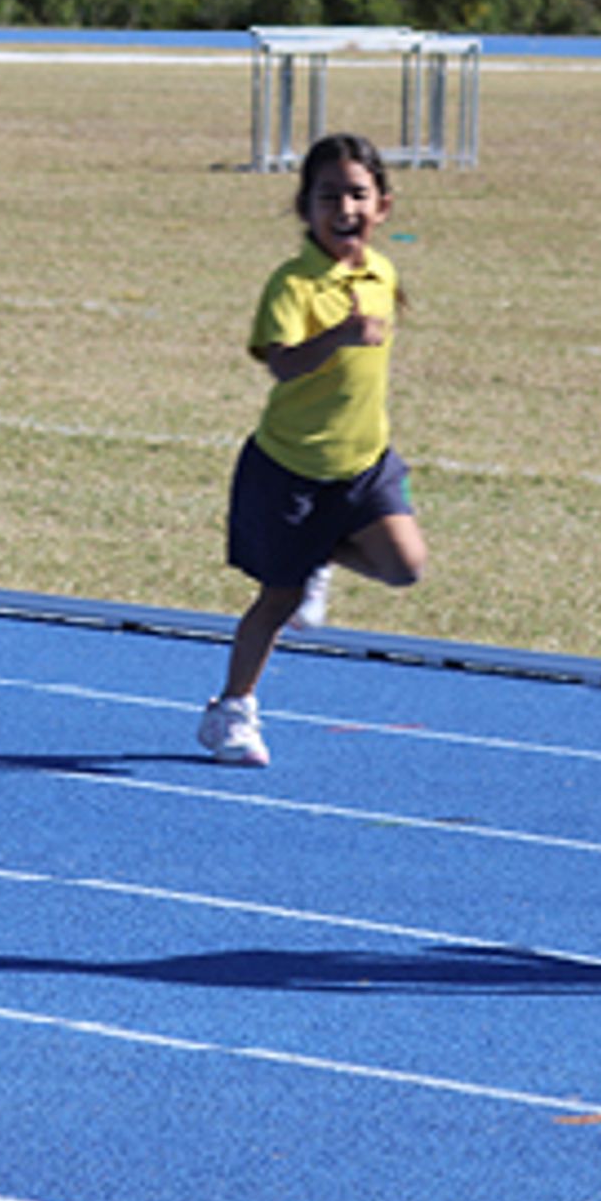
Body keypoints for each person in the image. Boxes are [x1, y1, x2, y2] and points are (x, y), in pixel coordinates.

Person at [198, 133, 428, 767]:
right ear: (305, 207)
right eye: (328, 196)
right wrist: (339, 336)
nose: (344, 208)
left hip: (364, 461)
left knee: (405, 566)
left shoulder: (382, 272)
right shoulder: (292, 284)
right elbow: (282, 365)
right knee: (280, 598)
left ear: (383, 206)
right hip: (291, 469)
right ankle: (231, 710)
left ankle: (322, 550)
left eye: (358, 194)